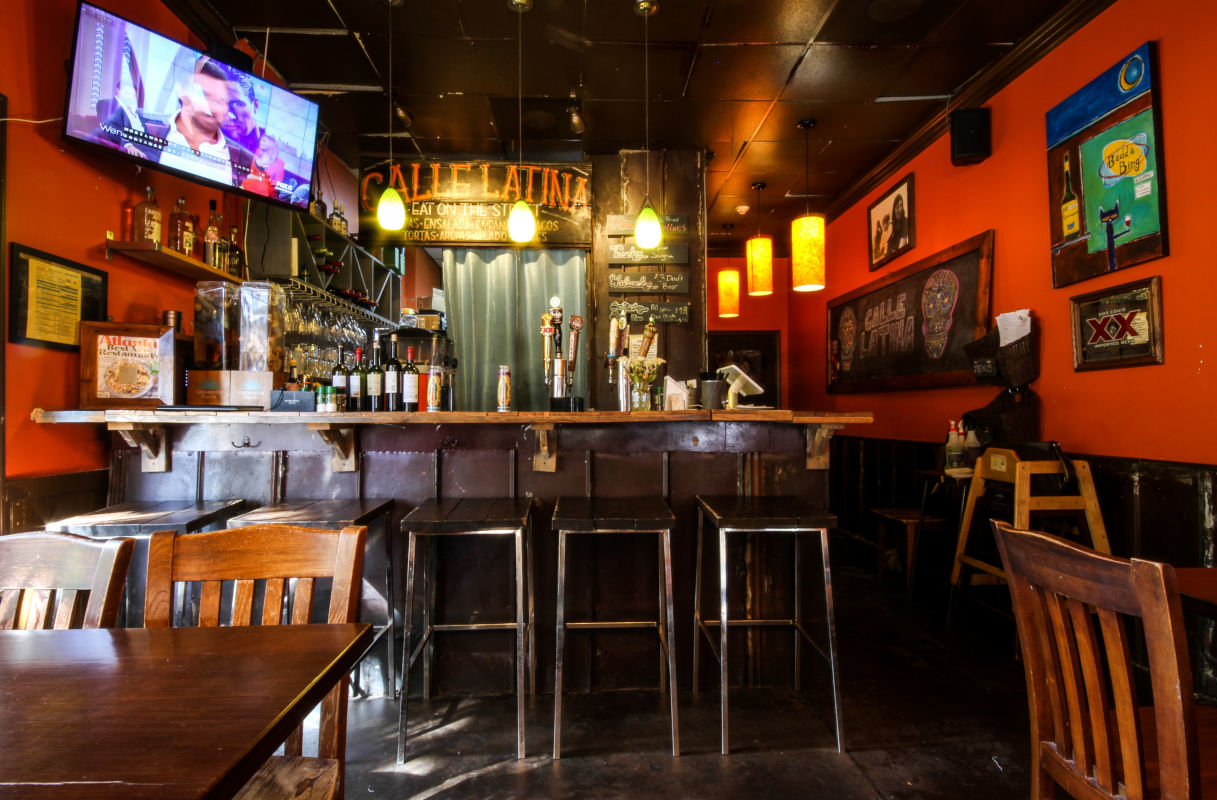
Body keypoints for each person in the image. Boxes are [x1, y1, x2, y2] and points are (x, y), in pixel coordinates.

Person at [151, 55, 253, 188]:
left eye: (219, 101)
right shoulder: (143, 126)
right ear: (182, 91)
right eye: (204, 95)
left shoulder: (246, 160)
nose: (210, 108)